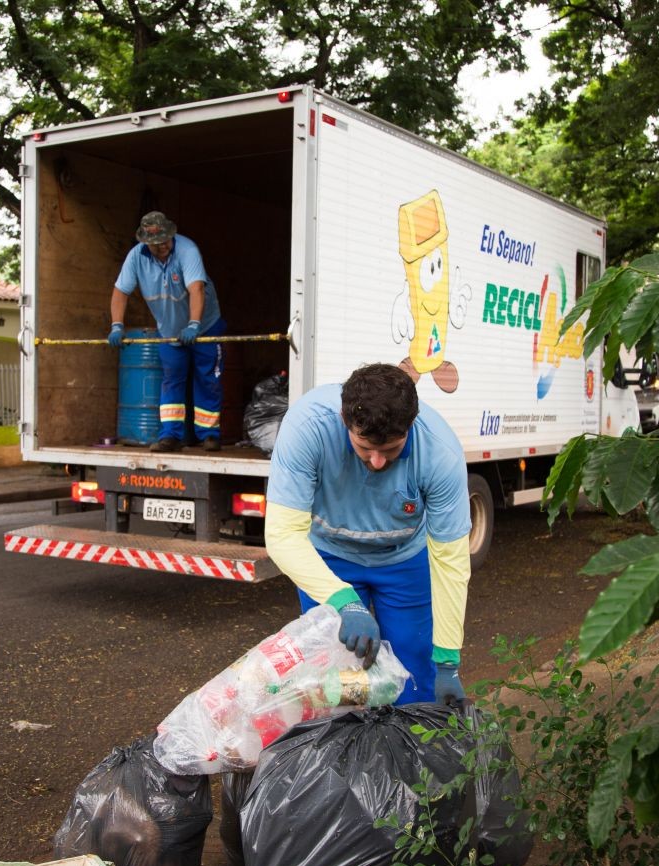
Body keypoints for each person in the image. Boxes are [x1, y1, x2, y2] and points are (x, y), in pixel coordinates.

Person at [264, 363, 472, 705]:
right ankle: (344, 752)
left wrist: (448, 661)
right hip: (329, 558)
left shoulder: (440, 454)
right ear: (346, 422)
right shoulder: (307, 428)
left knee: (414, 670)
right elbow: (283, 535)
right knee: (334, 678)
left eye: (391, 450)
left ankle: (409, 751)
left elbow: (450, 563)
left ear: (411, 426)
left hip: (404, 557)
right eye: (364, 447)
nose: (377, 462)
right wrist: (344, 601)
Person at [108, 211, 226, 452]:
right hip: (169, 331)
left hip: (204, 326)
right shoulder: (136, 258)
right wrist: (116, 325)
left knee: (208, 379)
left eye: (165, 241)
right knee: (172, 380)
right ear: (145, 242)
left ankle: (210, 435)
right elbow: (121, 292)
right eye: (155, 244)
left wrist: (194, 324)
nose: (162, 246)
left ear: (171, 235)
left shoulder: (187, 250)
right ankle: (170, 435)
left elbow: (196, 289)